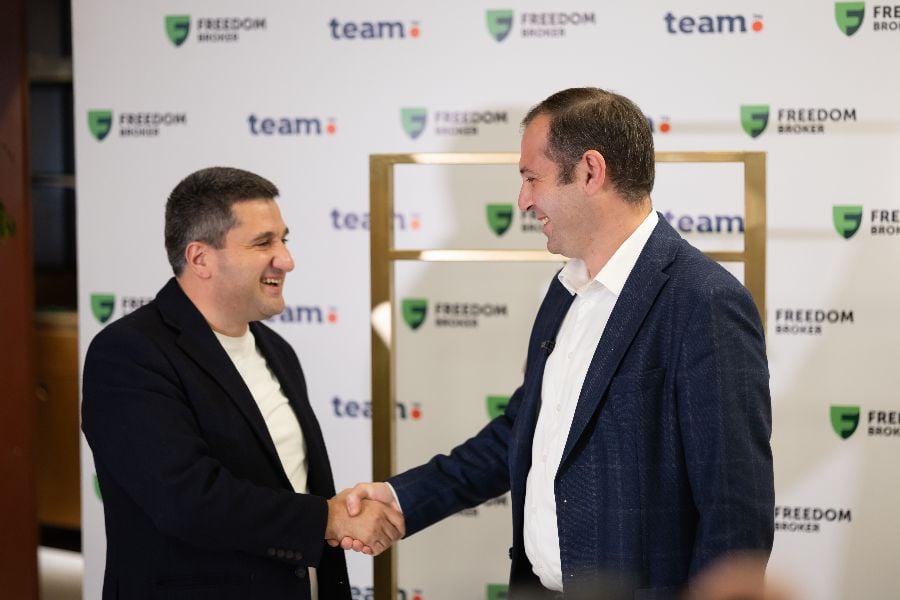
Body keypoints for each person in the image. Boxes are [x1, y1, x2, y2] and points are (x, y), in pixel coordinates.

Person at [343, 88, 774, 598]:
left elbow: (735, 514)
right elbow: (524, 429)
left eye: (532, 178)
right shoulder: (565, 289)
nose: (523, 201)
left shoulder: (703, 300)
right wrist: (401, 499)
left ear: (590, 171)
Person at [81, 166, 404, 600]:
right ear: (200, 259)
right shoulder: (128, 353)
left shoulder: (277, 350)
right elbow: (187, 500)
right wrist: (327, 519)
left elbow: (292, 485)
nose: (286, 260)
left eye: (284, 240)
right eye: (263, 243)